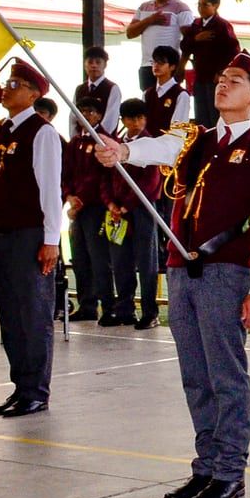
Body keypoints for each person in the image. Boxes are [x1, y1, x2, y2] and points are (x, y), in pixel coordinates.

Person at [96, 53, 250, 498]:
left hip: (226, 272)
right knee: (195, 377)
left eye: (235, 80)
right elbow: (157, 148)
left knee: (225, 375)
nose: (223, 86)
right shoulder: (194, 138)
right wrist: (124, 151)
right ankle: (205, 467)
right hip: (182, 270)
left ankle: (229, 470)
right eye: (220, 79)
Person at [0, 58, 63, 417]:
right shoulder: (2, 130)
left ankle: (36, 389)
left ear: (33, 94)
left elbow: (50, 190)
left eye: (16, 84)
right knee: (10, 315)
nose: (7, 88)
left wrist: (51, 239)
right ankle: (20, 386)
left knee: (32, 314)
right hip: (1, 235)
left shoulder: (41, 132)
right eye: (8, 82)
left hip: (29, 235)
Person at [104, 98, 163, 330]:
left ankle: (150, 312)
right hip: (118, 212)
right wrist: (111, 204)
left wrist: (126, 206)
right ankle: (125, 309)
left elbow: (151, 183)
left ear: (146, 118)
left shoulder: (150, 143)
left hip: (142, 211)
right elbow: (105, 178)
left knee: (146, 262)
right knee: (120, 262)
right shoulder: (115, 144)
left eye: (140, 117)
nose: (136, 122)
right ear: (123, 120)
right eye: (131, 118)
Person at [63, 96, 117, 324]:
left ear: (99, 115)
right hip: (77, 208)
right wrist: (69, 197)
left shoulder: (105, 141)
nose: (85, 116)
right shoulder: (75, 142)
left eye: (90, 112)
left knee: (99, 258)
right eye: (81, 111)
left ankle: (108, 305)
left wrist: (80, 200)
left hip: (95, 207)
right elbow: (66, 173)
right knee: (80, 258)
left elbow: (100, 178)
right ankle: (87, 305)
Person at [180, 0, 240, 129]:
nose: (201, 8)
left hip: (215, 77)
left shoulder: (222, 25)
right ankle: (204, 144)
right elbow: (185, 46)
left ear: (215, 6)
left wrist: (222, 72)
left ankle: (218, 144)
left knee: (215, 114)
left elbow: (233, 51)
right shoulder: (196, 25)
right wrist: (196, 39)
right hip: (200, 76)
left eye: (205, 5)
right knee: (201, 114)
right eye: (199, 5)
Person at [126, 0, 195, 91]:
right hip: (147, 65)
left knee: (168, 104)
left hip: (169, 66)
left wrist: (181, 66)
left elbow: (189, 40)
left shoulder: (181, 8)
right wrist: (150, 20)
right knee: (148, 103)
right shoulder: (144, 7)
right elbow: (130, 33)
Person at [74, 46, 122, 136]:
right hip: (81, 140)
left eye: (98, 62)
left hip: (104, 141)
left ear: (105, 65)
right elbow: (73, 116)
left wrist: (97, 138)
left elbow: (111, 119)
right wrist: (75, 139)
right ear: (85, 65)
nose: (94, 65)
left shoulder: (112, 88)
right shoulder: (79, 89)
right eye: (90, 62)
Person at [143, 45, 190, 135]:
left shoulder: (181, 95)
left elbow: (178, 129)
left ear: (172, 67)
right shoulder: (147, 94)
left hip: (169, 146)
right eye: (154, 62)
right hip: (147, 144)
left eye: (161, 63)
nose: (156, 66)